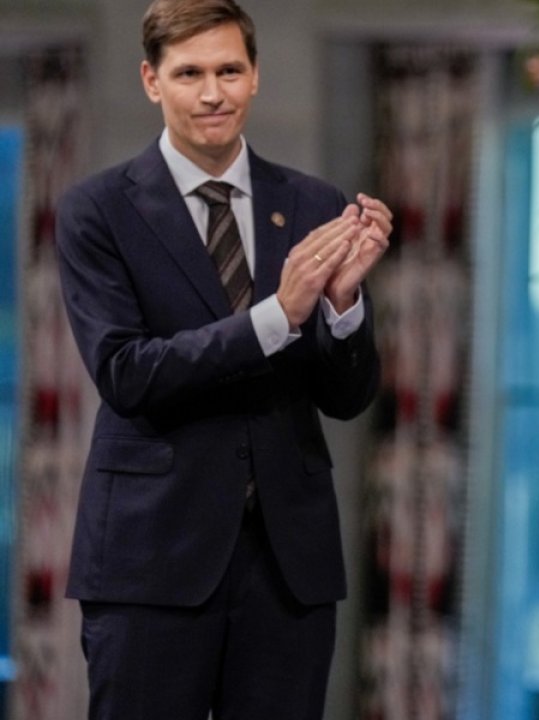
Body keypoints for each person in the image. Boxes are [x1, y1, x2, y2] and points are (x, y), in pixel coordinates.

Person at [54, 1, 392, 717]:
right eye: (189, 74)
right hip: (151, 561)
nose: (213, 93)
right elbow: (126, 374)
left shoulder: (314, 204)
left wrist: (343, 305)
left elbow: (347, 398)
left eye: (230, 71)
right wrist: (278, 315)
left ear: (256, 76)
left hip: (288, 566)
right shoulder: (96, 210)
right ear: (151, 81)